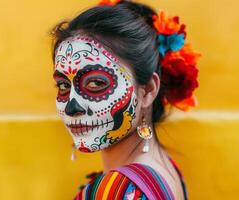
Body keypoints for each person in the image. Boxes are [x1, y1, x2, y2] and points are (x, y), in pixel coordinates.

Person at [50, 0, 200, 199]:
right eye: (63, 86)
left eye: (96, 84)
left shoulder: (121, 191)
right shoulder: (164, 166)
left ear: (147, 90)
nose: (71, 106)